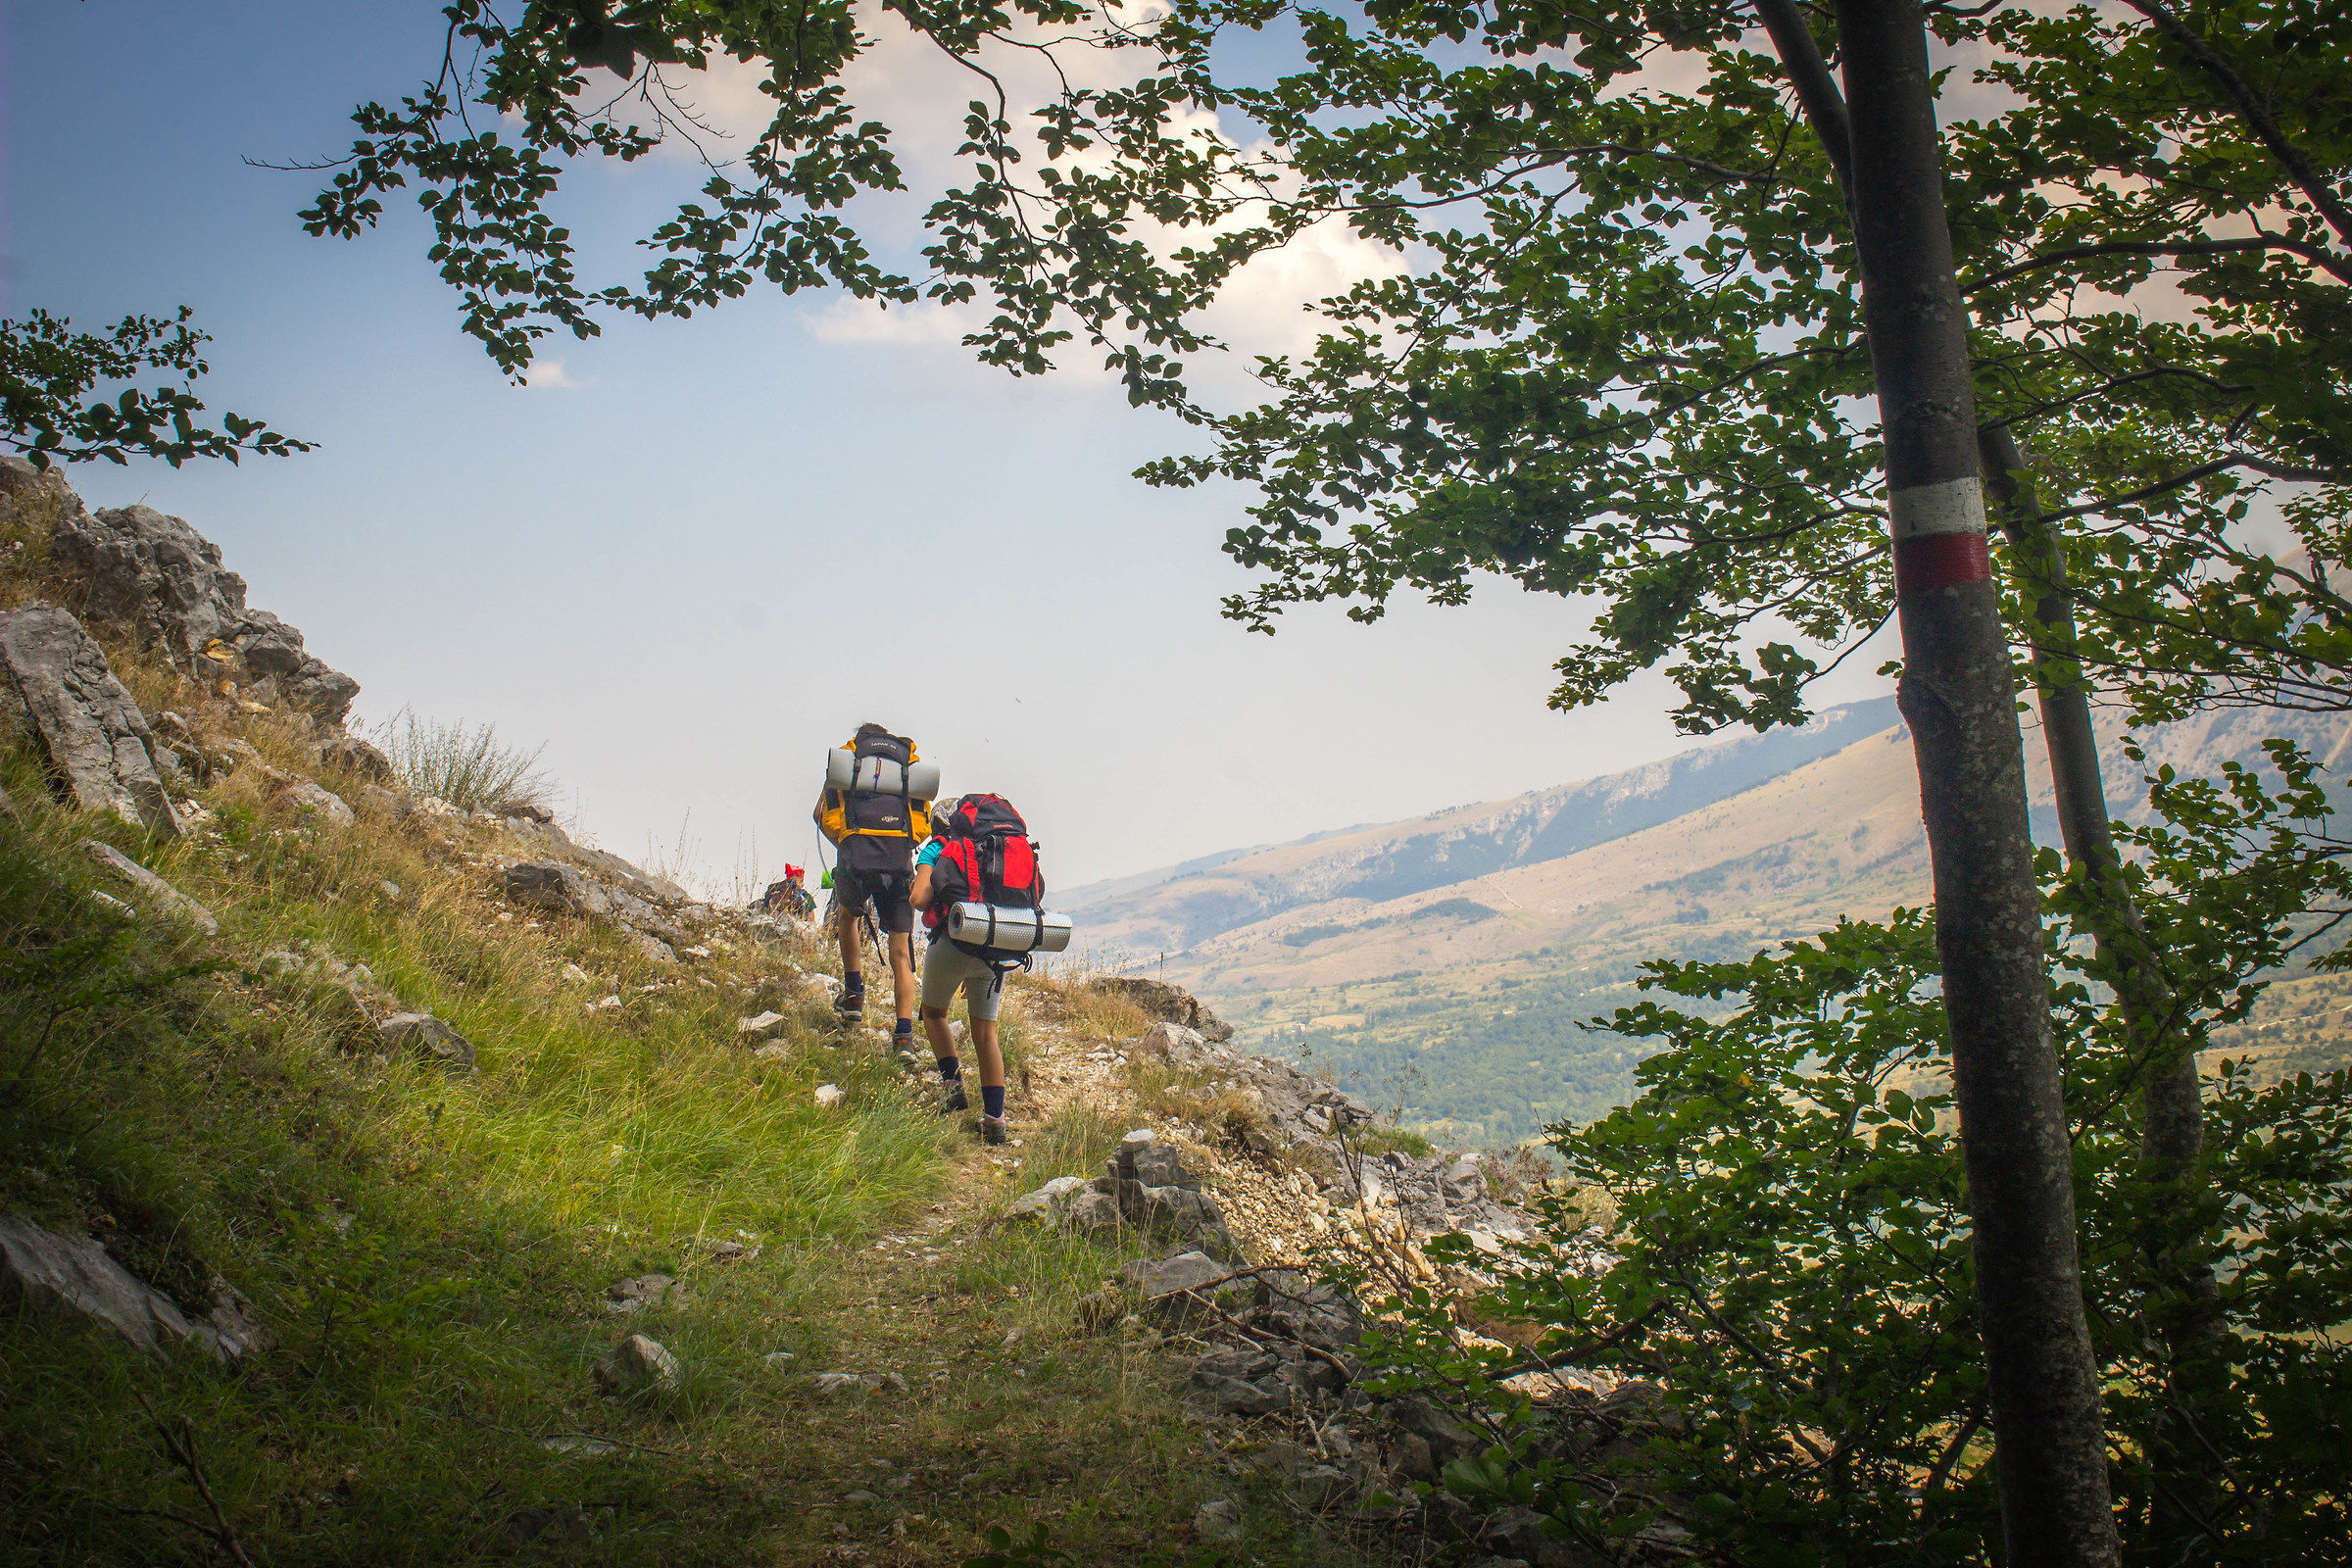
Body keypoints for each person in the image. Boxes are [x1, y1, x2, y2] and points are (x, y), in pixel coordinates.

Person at [910, 795, 1034, 1145]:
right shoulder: (994, 848)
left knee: (933, 1013)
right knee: (986, 1035)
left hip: (953, 942)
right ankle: (995, 1121)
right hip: (995, 947)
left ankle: (953, 1088)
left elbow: (920, 899)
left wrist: (915, 890)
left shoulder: (938, 849)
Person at [811, 723, 928, 1051]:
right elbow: (923, 825)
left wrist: (845, 844)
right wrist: (902, 845)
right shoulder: (906, 769)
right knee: (901, 952)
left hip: (855, 861)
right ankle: (903, 1037)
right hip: (899, 864)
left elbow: (820, 813)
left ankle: (854, 994)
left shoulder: (849, 763)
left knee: (847, 918)